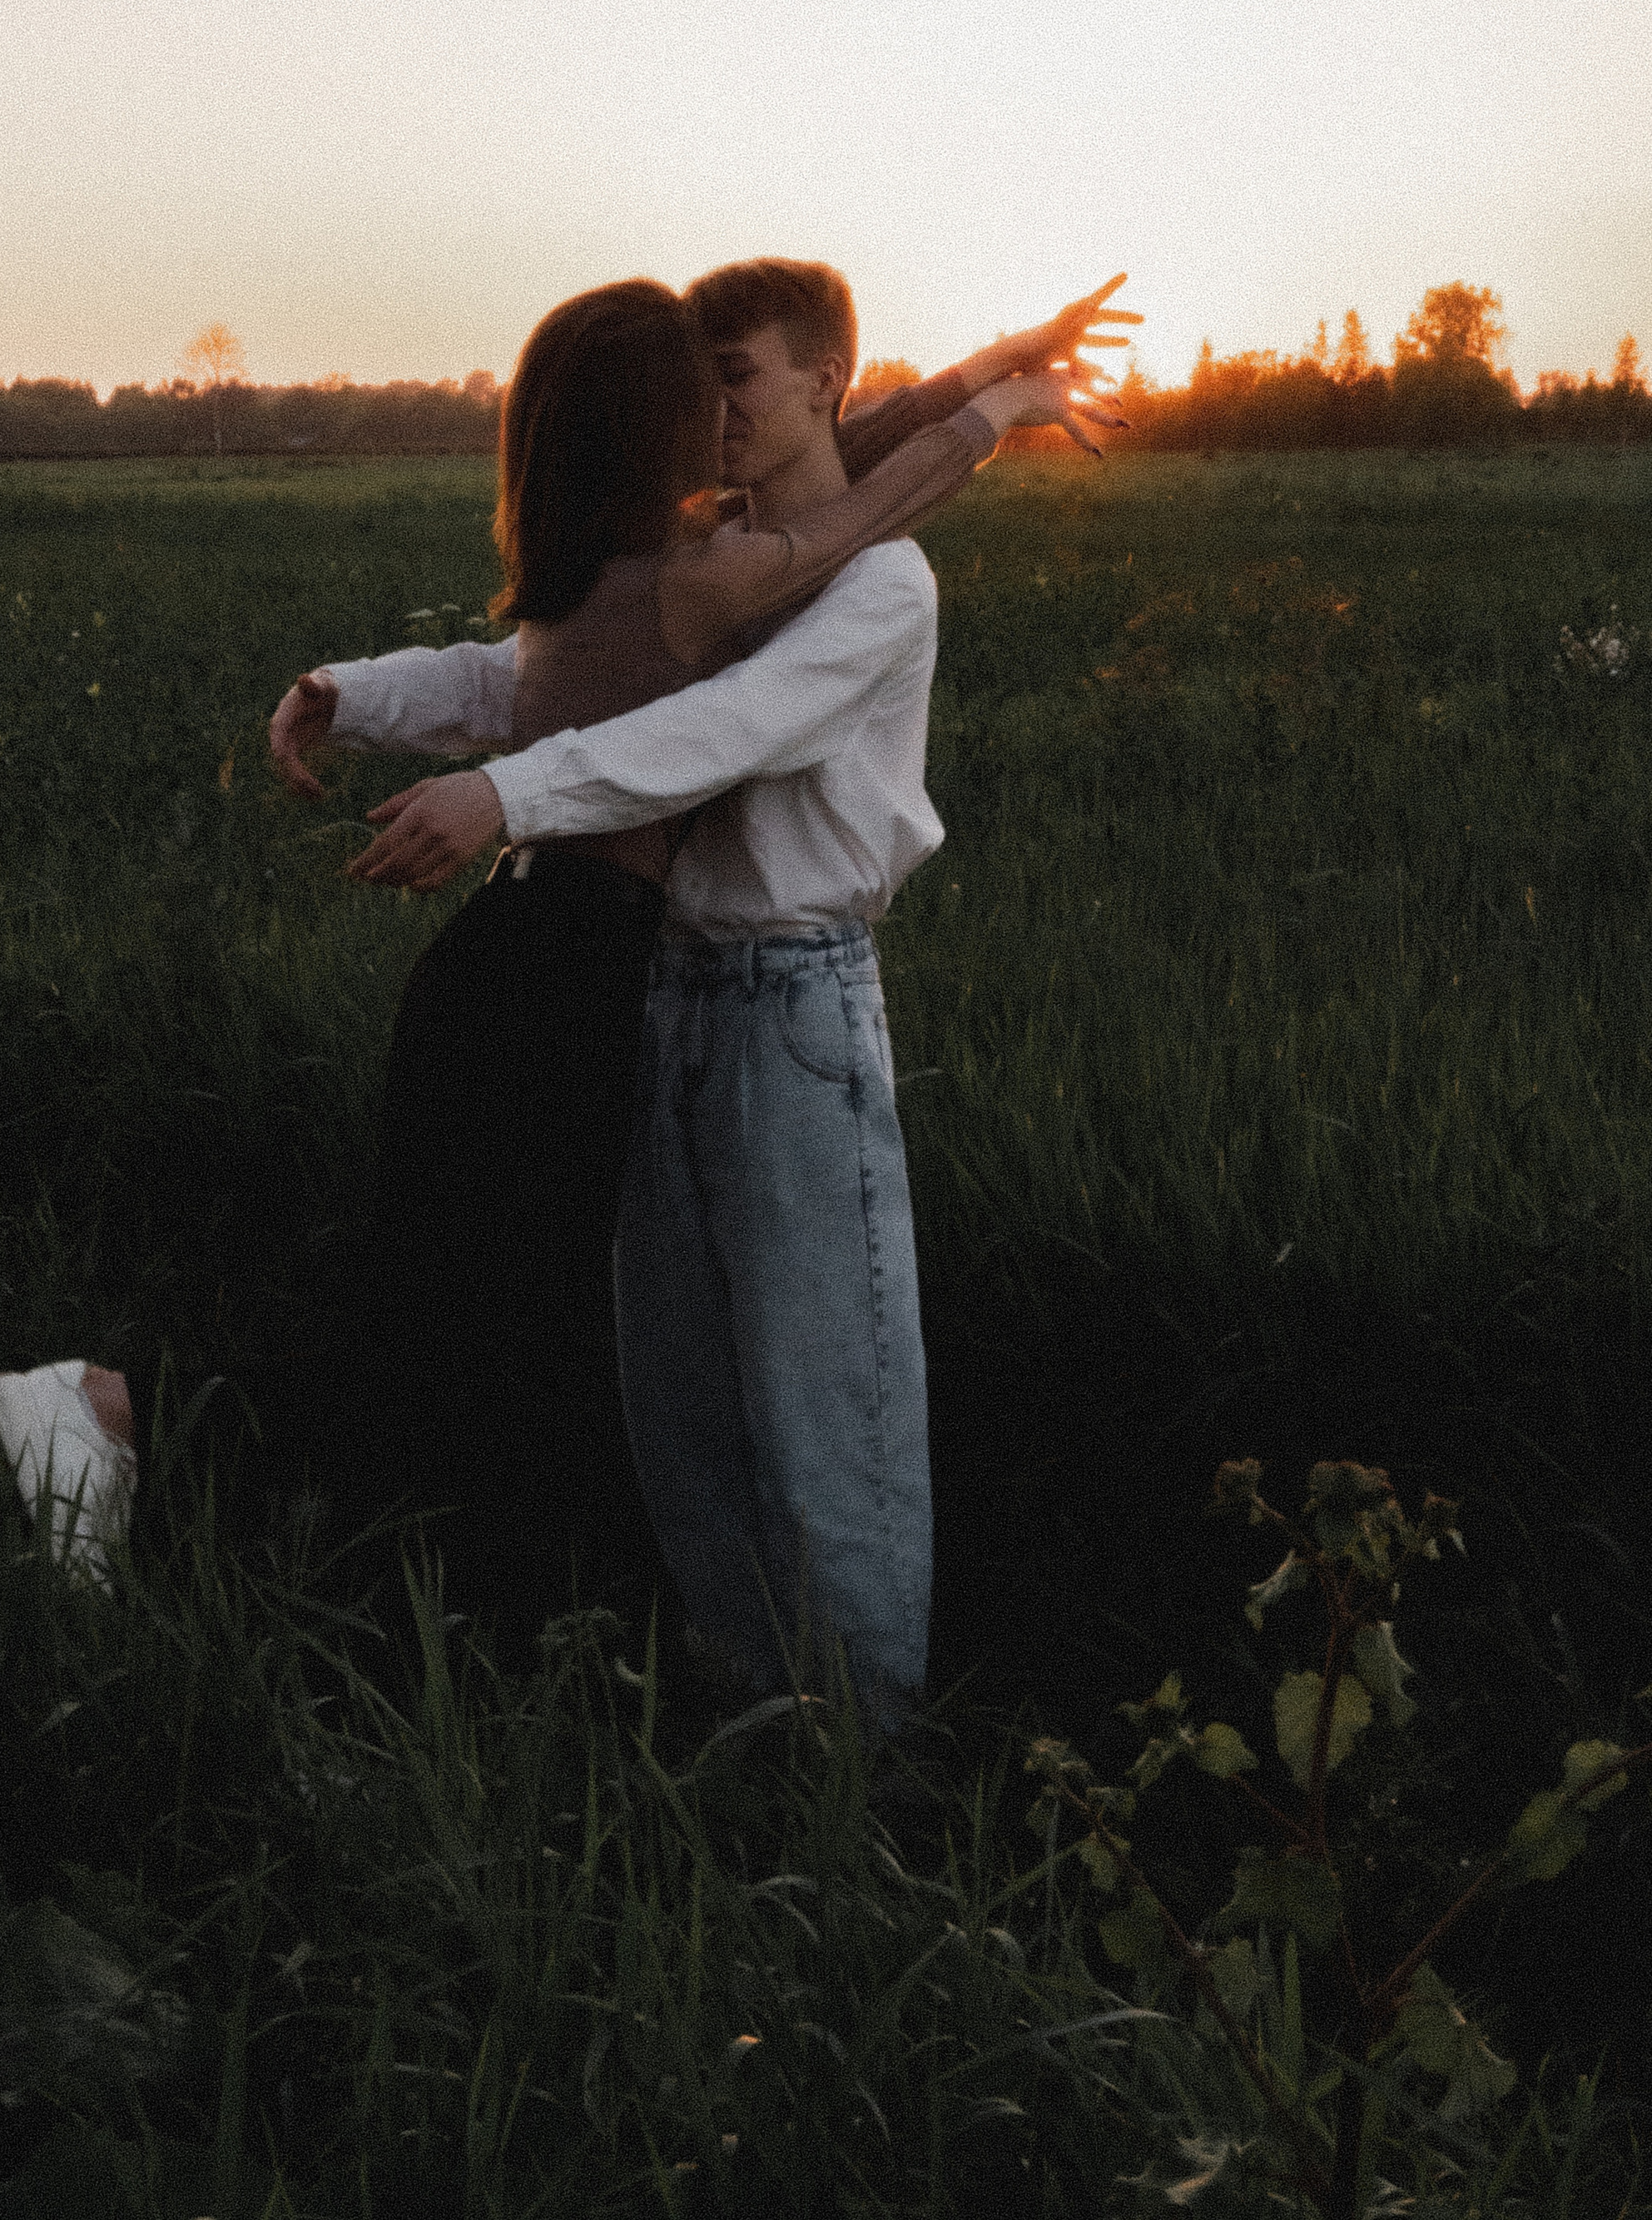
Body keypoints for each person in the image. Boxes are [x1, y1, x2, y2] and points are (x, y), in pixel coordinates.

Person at [281, 265, 1126, 1671]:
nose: (711, 410)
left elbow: (731, 727)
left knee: (823, 1403)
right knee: (677, 1404)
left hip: (788, 1003)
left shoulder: (878, 588)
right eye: (698, 382)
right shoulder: (700, 556)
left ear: (820, 386)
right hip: (645, 991)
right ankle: (743, 1715)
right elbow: (531, 676)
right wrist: (358, 696)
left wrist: (513, 797)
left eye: (734, 375)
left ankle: (860, 1756)